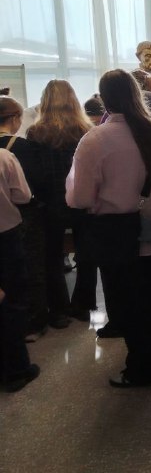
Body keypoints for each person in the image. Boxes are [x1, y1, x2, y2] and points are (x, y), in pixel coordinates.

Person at [66, 69, 151, 387]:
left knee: (127, 302)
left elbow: (79, 198)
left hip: (117, 233)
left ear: (104, 100)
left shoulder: (96, 139)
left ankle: (142, 368)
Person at [27, 80, 94, 328]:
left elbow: (37, 174)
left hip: (50, 201)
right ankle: (83, 304)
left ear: (44, 102)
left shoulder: (36, 133)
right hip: (81, 198)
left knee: (52, 256)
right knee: (86, 254)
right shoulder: (86, 130)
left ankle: (58, 310)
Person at [0, 97, 50, 340]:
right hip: (14, 222)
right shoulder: (17, 150)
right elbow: (23, 194)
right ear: (14, 119)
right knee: (27, 270)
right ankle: (33, 323)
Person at [0, 146, 39, 392]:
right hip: (5, 236)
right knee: (12, 301)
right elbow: (23, 196)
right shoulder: (4, 157)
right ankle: (16, 370)